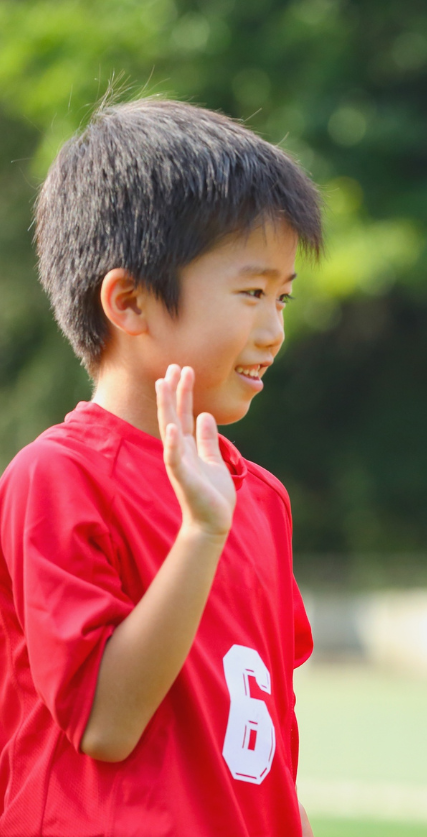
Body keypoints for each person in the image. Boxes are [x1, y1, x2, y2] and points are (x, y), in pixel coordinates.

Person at [0, 98, 323, 836]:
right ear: (130, 300)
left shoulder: (261, 497)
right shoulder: (57, 477)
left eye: (283, 296)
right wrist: (199, 534)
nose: (273, 329)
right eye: (250, 292)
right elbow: (106, 723)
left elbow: (268, 743)